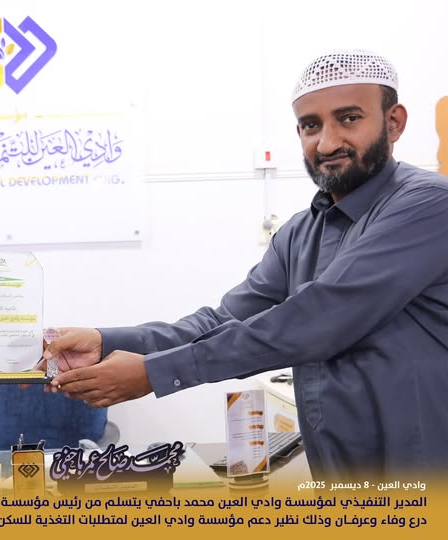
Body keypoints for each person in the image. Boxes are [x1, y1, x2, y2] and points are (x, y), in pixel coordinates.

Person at [42, 49, 448, 481]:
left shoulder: (429, 205)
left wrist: (154, 373)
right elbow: (223, 320)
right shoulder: (300, 232)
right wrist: (106, 341)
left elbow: (318, 318)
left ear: (394, 122)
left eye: (349, 118)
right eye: (311, 125)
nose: (327, 143)